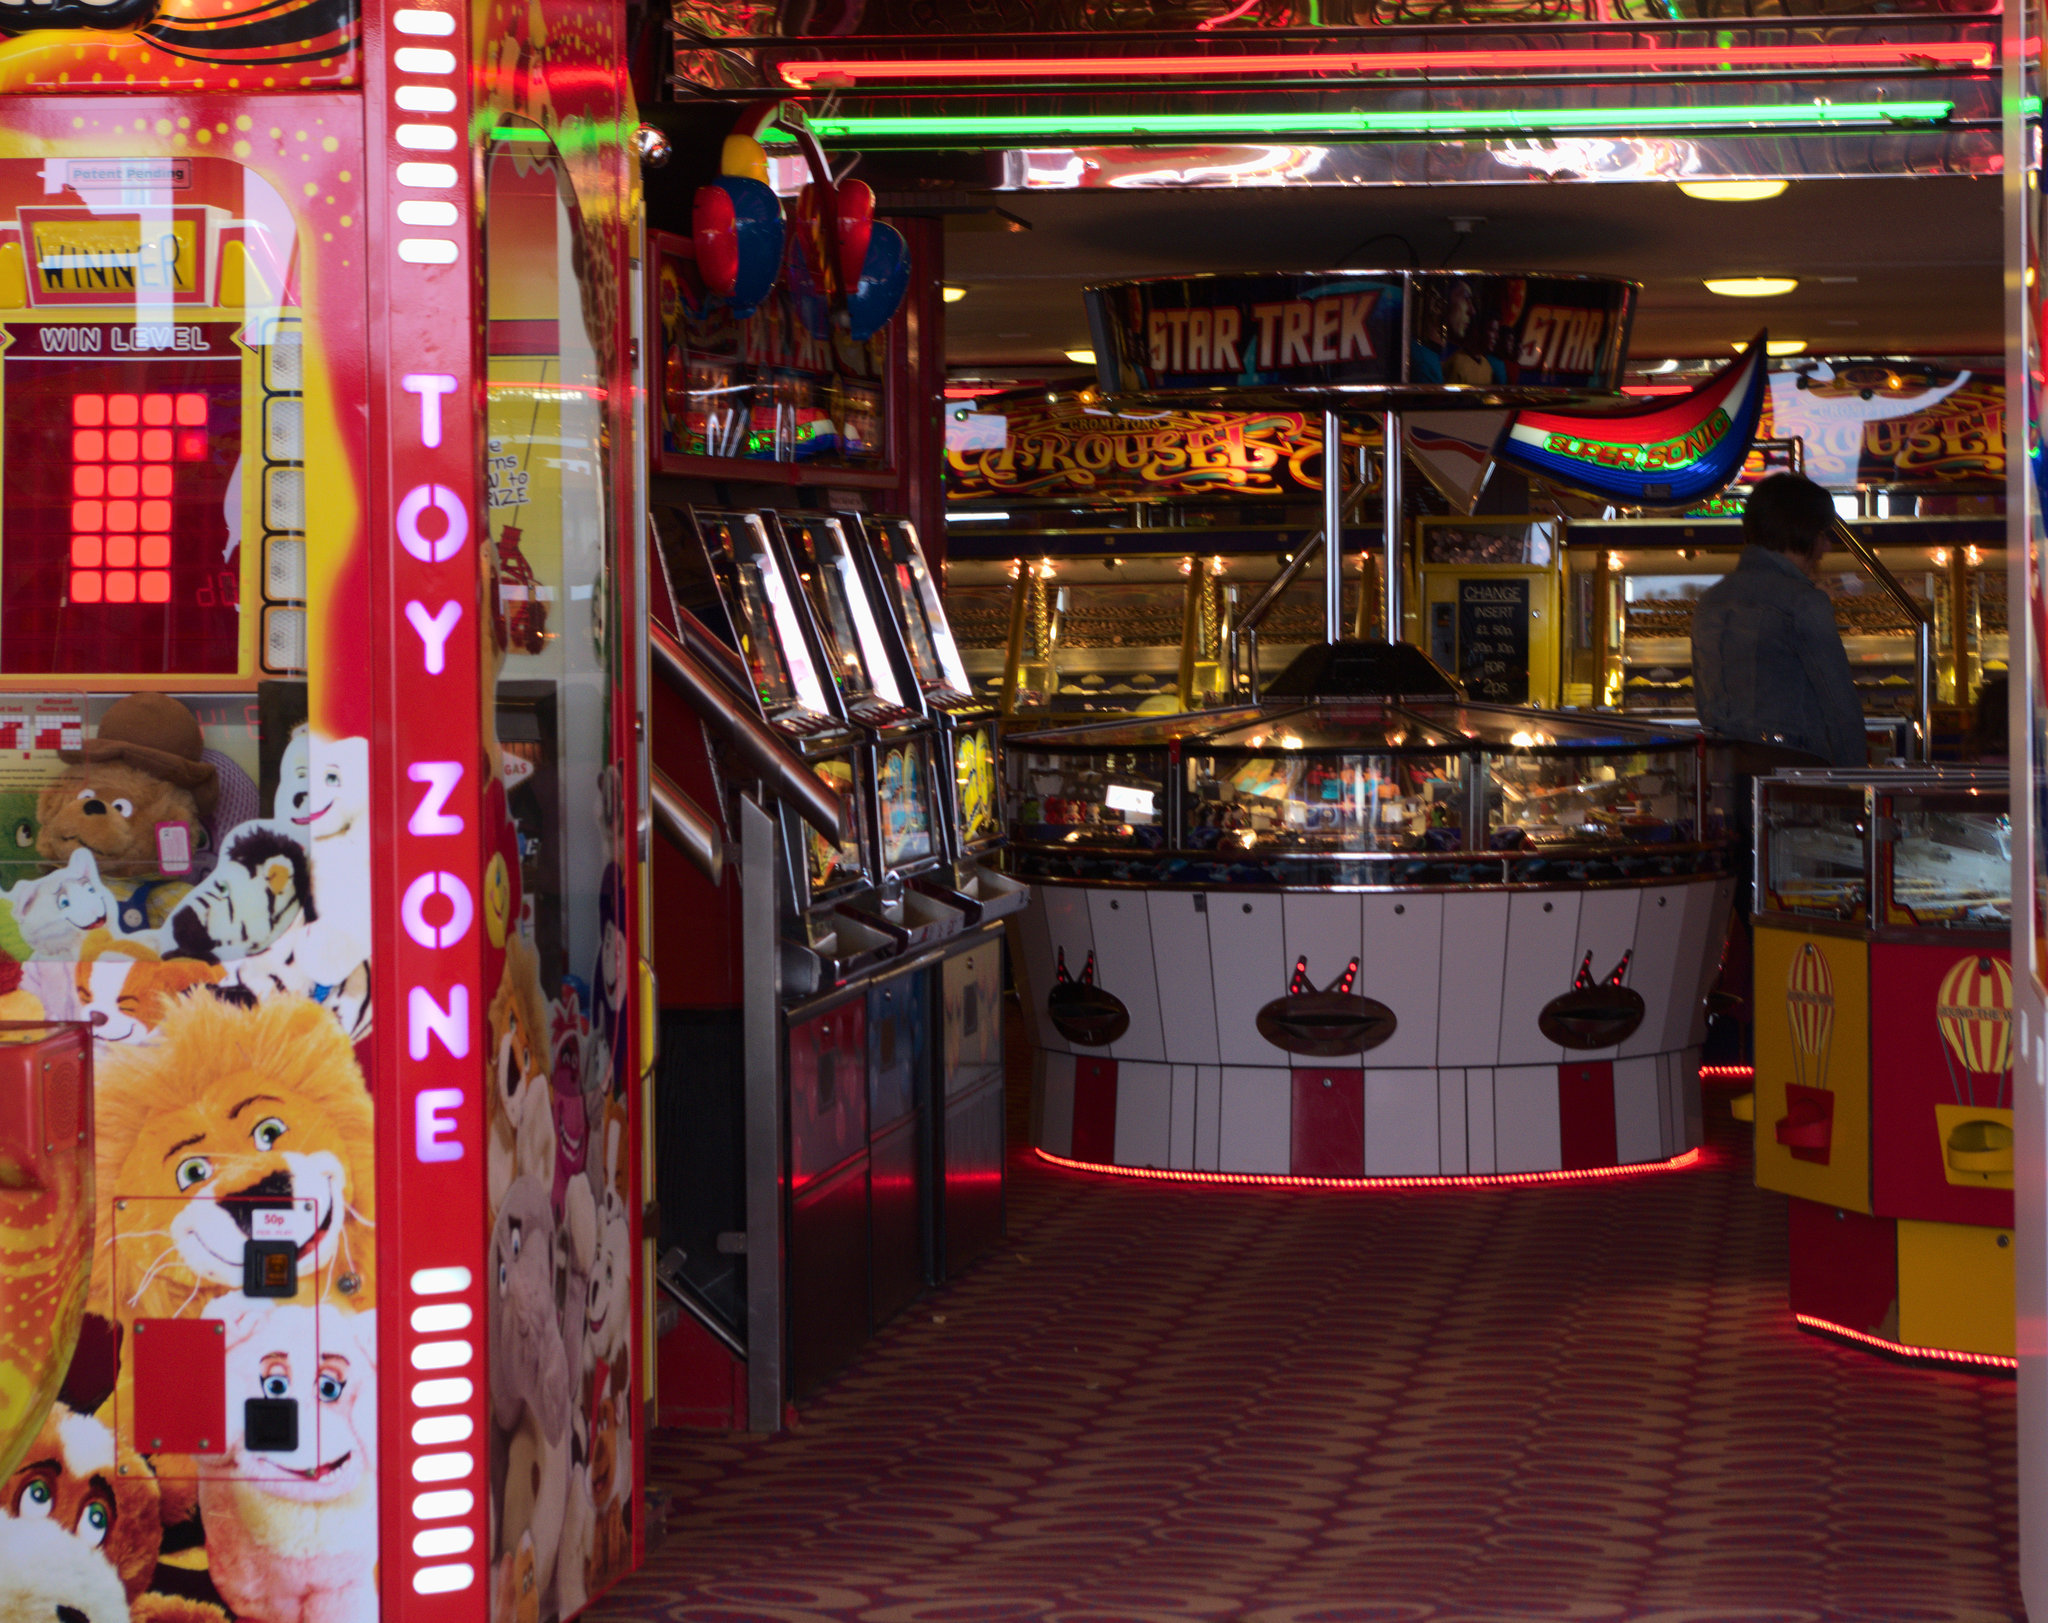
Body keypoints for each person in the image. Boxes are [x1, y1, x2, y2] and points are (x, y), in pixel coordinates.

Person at [1690, 473, 1865, 768]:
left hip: (1724, 773)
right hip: (1794, 778)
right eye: (1823, 534)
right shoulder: (1803, 602)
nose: (1826, 548)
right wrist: (1857, 785)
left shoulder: (1710, 602)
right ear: (1803, 531)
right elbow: (1840, 708)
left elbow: (1704, 706)